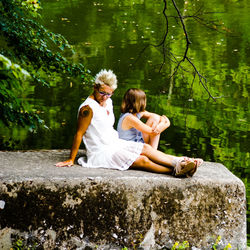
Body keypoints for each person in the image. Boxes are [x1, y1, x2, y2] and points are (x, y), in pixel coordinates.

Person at [56, 69, 202, 177]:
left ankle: (181, 161)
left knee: (145, 147)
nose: (105, 97)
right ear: (95, 87)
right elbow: (79, 133)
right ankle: (176, 171)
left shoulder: (108, 102)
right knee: (142, 160)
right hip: (101, 152)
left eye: (109, 93)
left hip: (115, 143)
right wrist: (71, 159)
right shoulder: (87, 109)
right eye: (102, 92)